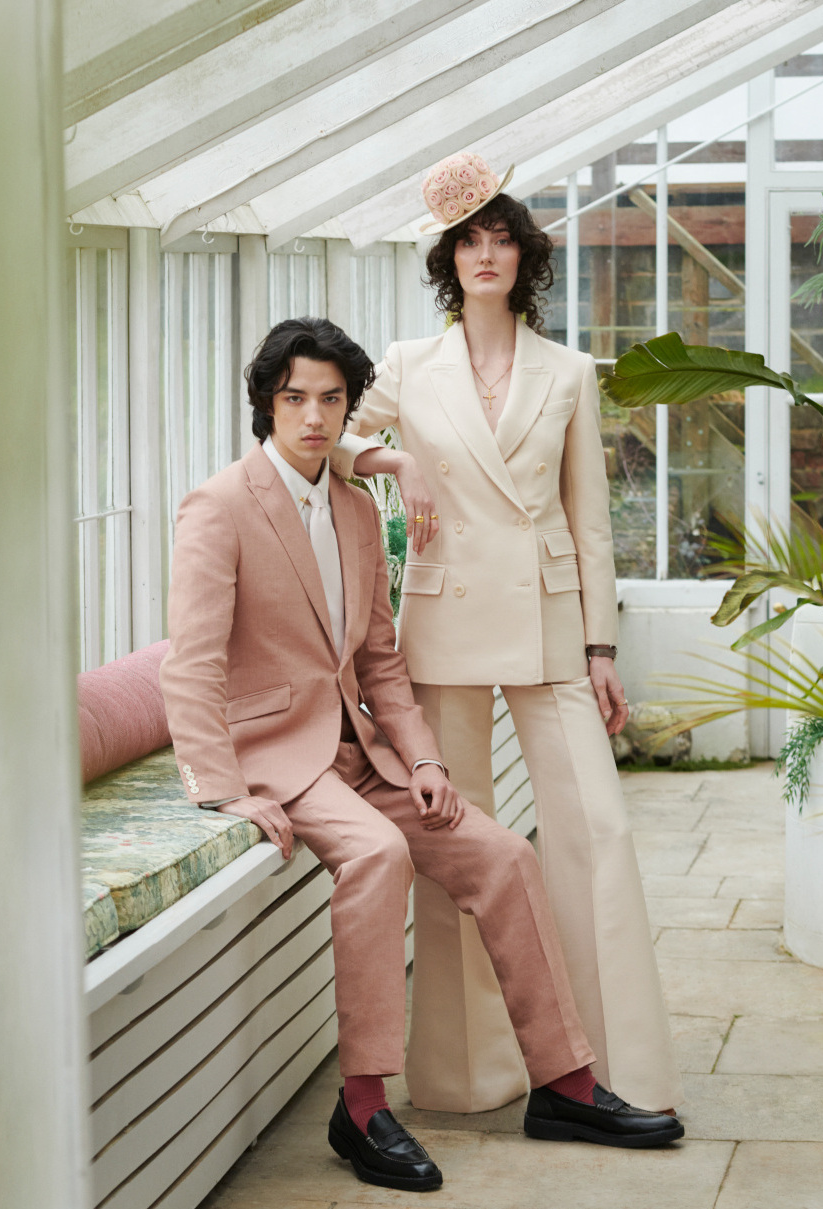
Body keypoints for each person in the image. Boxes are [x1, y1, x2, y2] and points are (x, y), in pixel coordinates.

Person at [160, 316, 683, 1193]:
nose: (316, 417)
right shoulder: (219, 505)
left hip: (362, 750)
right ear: (267, 404)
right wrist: (221, 791)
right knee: (378, 852)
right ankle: (363, 1105)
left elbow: (379, 662)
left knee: (504, 854)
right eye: (297, 399)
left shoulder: (360, 511)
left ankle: (565, 1084)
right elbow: (192, 664)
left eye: (332, 400)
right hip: (274, 758)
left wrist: (426, 761)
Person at [325, 152, 683, 1115]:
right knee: (462, 843)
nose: (488, 255)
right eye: (470, 241)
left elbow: (591, 517)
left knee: (596, 832)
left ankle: (615, 1068)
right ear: (451, 258)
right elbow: (333, 440)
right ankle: (470, 1072)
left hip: (547, 620)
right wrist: (399, 461)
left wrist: (601, 649)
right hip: (441, 622)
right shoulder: (406, 365)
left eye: (503, 240)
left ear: (526, 259)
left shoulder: (569, 371)